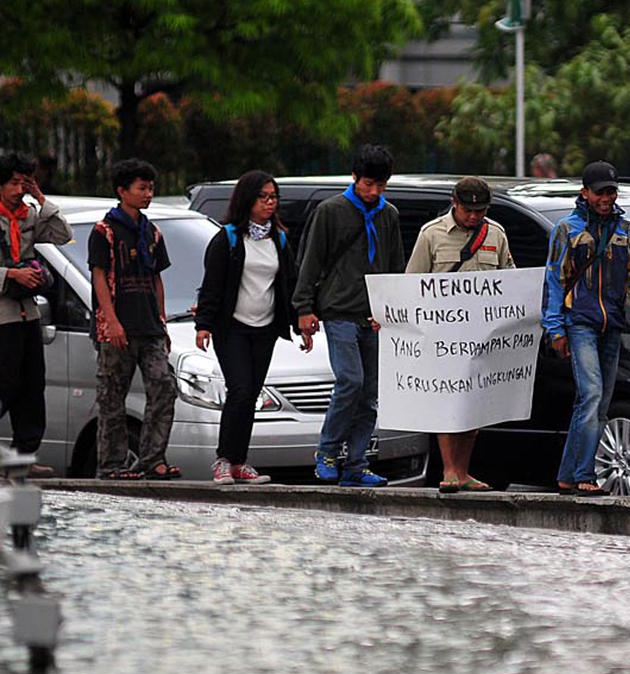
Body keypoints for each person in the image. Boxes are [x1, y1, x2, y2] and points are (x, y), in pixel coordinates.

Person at [293, 145, 405, 488]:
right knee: (350, 381)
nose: (374, 192)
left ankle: (356, 463)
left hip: (373, 316)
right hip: (338, 310)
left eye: (380, 185)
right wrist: (304, 308)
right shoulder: (331, 211)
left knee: (370, 393)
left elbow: (394, 267)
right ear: (354, 177)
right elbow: (310, 261)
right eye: (368, 184)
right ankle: (327, 451)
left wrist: (390, 309)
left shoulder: (389, 215)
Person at [196, 171, 313, 485]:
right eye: (263, 197)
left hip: (264, 328)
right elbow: (212, 285)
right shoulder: (229, 238)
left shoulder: (280, 239)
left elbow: (290, 283)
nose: (269, 203)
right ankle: (223, 460)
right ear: (247, 200)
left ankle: (240, 462)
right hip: (231, 327)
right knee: (240, 389)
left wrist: (301, 320)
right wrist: (203, 325)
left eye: (273, 197)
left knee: (251, 395)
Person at [405, 177, 515, 493]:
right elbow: (411, 284)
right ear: (455, 203)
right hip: (443, 335)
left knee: (474, 406)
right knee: (446, 402)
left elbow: (509, 281)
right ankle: (449, 470)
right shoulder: (432, 234)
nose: (473, 217)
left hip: (482, 337)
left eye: (480, 211)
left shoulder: (496, 234)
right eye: (468, 210)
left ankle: (464, 471)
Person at [542, 160, 630, 496]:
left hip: (611, 325)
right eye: (600, 192)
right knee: (592, 395)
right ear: (585, 193)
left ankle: (568, 475)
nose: (606, 198)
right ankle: (585, 473)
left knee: (595, 403)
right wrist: (555, 329)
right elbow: (554, 281)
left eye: (611, 191)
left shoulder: (624, 230)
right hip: (580, 323)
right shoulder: (566, 230)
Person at [88, 159, 178, 480]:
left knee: (164, 387)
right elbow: (99, 276)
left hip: (149, 326)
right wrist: (110, 321)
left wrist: (162, 321)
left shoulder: (151, 231)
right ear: (122, 191)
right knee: (112, 396)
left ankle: (153, 458)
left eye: (151, 188)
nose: (148, 194)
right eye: (141, 188)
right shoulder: (105, 231)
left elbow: (157, 279)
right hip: (116, 327)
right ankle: (112, 464)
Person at [0, 152, 72, 478]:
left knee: (32, 386)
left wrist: (41, 198)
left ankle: (23, 457)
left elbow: (61, 234)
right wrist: (11, 275)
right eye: (13, 182)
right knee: (5, 385)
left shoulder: (28, 215)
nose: (19, 189)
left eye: (24, 182)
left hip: (27, 314)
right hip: (2, 315)